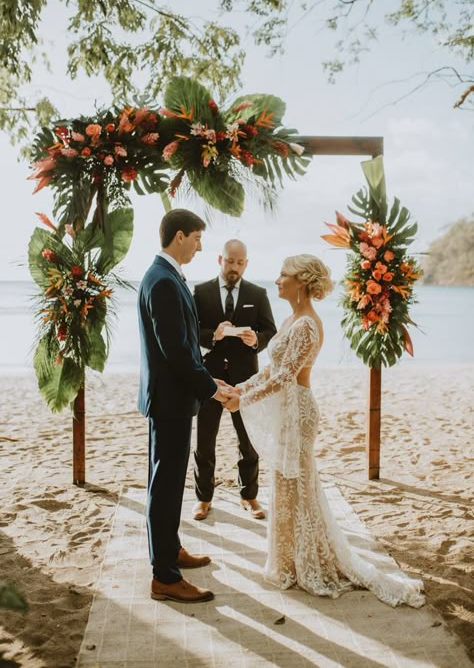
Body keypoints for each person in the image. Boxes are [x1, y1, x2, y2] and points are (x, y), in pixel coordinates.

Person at [224, 254, 425, 608]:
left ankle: (311, 563)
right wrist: (242, 387)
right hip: (285, 410)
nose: (277, 280)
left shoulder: (307, 326)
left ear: (301, 282)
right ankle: (289, 561)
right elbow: (273, 370)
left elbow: (287, 375)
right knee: (285, 484)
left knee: (300, 486)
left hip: (298, 412)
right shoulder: (290, 320)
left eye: (283, 274)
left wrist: (245, 401)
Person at [137, 209, 231, 604]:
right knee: (166, 484)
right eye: (196, 238)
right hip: (171, 401)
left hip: (173, 398)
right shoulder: (161, 281)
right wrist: (211, 389)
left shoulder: (167, 276)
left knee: (168, 481)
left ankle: (169, 549)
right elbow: (175, 351)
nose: (200, 246)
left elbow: (187, 343)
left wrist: (212, 381)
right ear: (179, 236)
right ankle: (165, 577)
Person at [192, 239, 277, 521]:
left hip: (245, 379)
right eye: (230, 261)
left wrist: (257, 341)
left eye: (240, 263)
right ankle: (203, 499)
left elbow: (270, 331)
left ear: (246, 263)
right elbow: (191, 333)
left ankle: (249, 496)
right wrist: (212, 336)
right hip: (209, 377)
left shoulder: (258, 292)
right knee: (205, 440)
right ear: (220, 259)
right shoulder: (201, 292)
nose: (234, 268)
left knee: (248, 440)